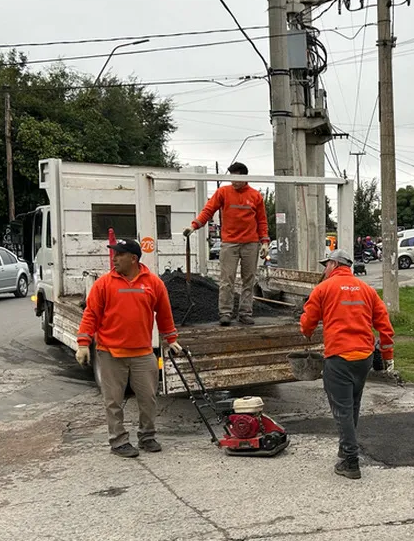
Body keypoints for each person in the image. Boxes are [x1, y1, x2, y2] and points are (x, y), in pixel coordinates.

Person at [76, 239, 184, 458]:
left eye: (119, 254)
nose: (114, 258)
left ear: (133, 259)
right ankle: (118, 441)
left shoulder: (153, 283)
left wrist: (171, 339)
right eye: (114, 254)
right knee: (113, 401)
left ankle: (147, 436)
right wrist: (83, 344)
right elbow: (91, 314)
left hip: (143, 353)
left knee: (148, 398)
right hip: (110, 353)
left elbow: (164, 313)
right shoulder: (104, 284)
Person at [300, 248, 395, 480]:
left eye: (326, 265)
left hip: (339, 357)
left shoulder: (323, 289)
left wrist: (307, 329)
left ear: (333, 264)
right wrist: (388, 354)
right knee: (352, 405)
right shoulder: (367, 289)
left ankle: (351, 461)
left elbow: (307, 323)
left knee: (341, 409)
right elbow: (384, 324)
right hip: (364, 357)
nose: (324, 269)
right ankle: (345, 448)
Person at [184, 162, 269, 326]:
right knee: (226, 280)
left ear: (244, 177)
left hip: (251, 243)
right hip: (229, 242)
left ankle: (245, 313)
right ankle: (225, 313)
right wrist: (194, 226)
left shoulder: (255, 196)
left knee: (249, 280)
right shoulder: (223, 192)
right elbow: (208, 210)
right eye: (231, 178)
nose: (233, 182)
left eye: (236, 178)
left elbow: (262, 221)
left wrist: (264, 241)